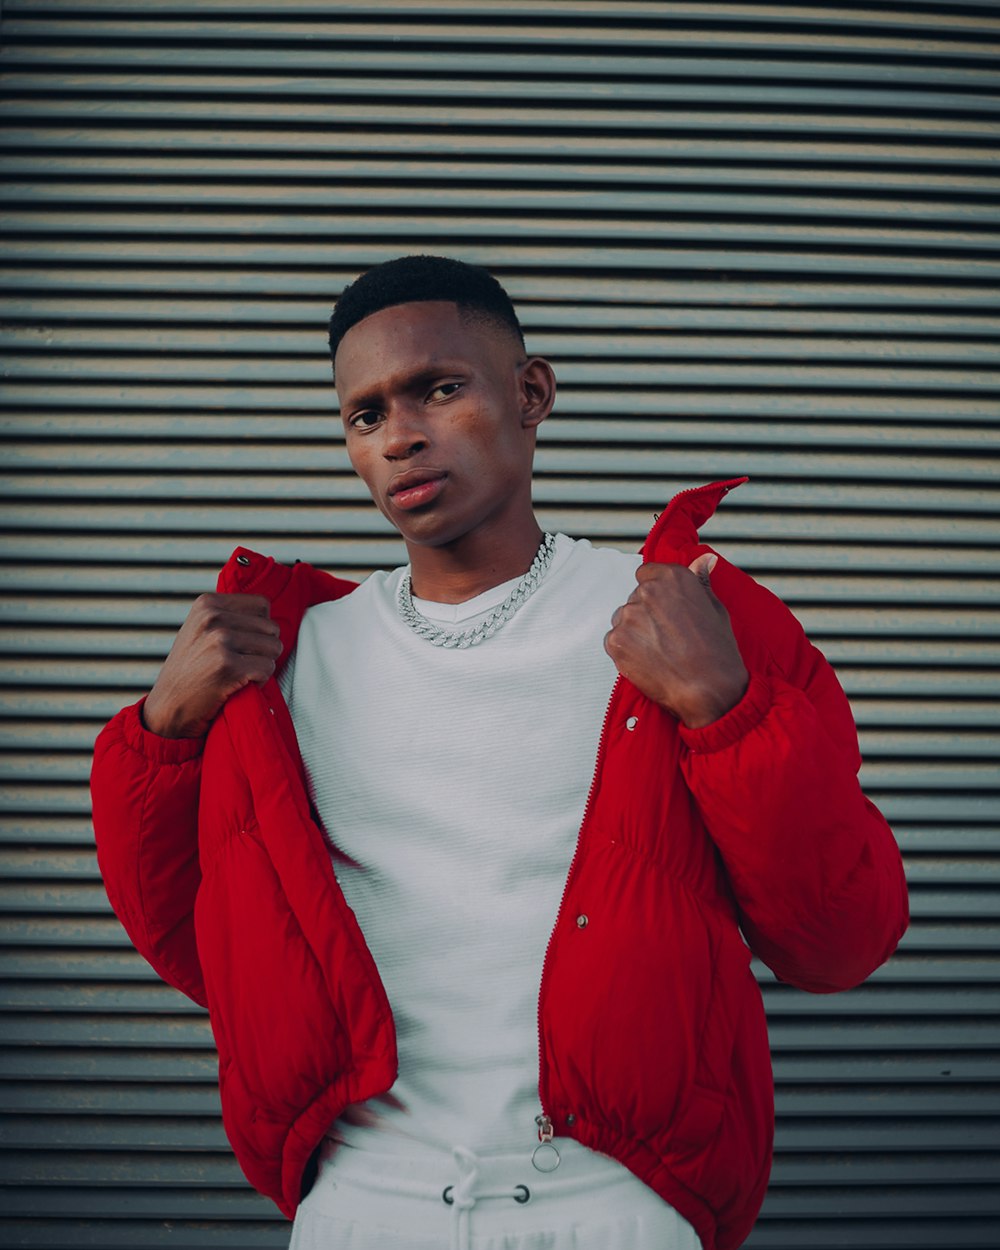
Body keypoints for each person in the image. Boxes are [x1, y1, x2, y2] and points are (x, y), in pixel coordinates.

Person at [90, 255, 909, 1250]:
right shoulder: (285, 659)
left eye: (439, 387)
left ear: (532, 393)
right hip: (361, 1202)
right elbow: (203, 940)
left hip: (618, 1201)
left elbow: (838, 941)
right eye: (365, 414)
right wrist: (164, 736)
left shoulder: (688, 612)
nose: (401, 433)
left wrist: (725, 708)